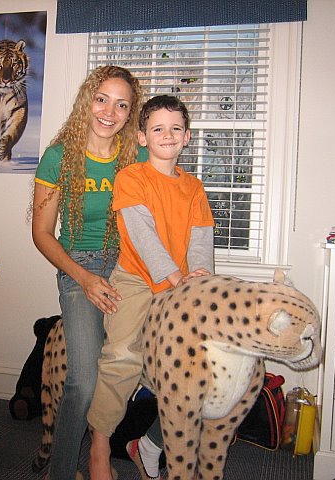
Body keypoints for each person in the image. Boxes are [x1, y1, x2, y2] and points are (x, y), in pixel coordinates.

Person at [87, 95, 215, 480]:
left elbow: (201, 239)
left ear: (187, 136)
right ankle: (99, 444)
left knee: (198, 366)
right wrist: (174, 279)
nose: (168, 134)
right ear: (143, 137)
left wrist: (200, 278)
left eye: (176, 128)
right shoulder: (132, 178)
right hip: (137, 279)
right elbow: (143, 236)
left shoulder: (194, 187)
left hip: (180, 285)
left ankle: (151, 444)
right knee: (122, 355)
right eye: (158, 128)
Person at [31, 65, 147, 480]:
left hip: (129, 265)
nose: (109, 112)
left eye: (122, 105)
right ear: (87, 101)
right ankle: (60, 473)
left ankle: (122, 448)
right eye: (102, 100)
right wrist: (84, 278)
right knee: (82, 378)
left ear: (130, 113)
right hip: (79, 265)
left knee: (139, 363)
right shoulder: (59, 157)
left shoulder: (138, 155)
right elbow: (42, 234)